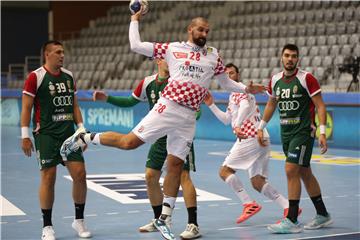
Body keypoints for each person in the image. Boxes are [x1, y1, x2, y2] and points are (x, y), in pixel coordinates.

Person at [61, 9, 265, 240]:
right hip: (168, 107)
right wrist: (135, 19)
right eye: (200, 29)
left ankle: (164, 217)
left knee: (175, 165)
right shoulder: (172, 48)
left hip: (188, 117)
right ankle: (84, 137)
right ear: (190, 29)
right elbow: (136, 45)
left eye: (207, 31)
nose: (204, 33)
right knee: (129, 143)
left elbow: (227, 84)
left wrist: (246, 89)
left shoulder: (213, 55)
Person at [92, 58, 201, 239]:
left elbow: (198, 111)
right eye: (168, 59)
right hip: (159, 137)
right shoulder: (148, 83)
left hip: (178, 136)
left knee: (183, 176)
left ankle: (193, 224)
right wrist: (107, 98)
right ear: (158, 60)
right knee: (150, 176)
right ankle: (160, 219)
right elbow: (129, 102)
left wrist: (190, 116)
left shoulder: (180, 81)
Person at [204, 63, 296, 225]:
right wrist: (211, 105)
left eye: (232, 73)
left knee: (224, 171)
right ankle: (288, 206)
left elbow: (245, 107)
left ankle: (248, 204)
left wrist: (238, 125)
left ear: (238, 75)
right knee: (257, 182)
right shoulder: (234, 94)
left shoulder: (239, 89)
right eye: (227, 74)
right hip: (261, 137)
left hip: (250, 136)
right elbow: (227, 120)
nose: (229, 76)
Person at [257, 44, 332, 234]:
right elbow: (271, 104)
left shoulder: (306, 78)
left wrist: (322, 132)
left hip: (303, 131)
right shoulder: (275, 80)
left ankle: (291, 219)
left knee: (291, 169)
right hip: (286, 133)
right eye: (287, 55)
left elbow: (320, 106)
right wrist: (260, 128)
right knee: (304, 173)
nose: (290, 59)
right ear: (281, 57)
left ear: (298, 59)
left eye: (294, 56)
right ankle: (323, 214)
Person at [20, 40, 92, 240]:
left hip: (69, 134)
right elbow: (26, 107)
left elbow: (74, 106)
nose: (62, 55)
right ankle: (47, 226)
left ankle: (79, 221)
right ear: (47, 54)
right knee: (48, 178)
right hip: (46, 135)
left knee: (80, 174)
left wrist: (81, 131)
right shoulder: (35, 77)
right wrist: (25, 135)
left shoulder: (68, 76)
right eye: (58, 52)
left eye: (63, 52)